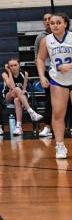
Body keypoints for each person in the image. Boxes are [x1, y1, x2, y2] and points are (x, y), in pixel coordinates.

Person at [36, 13, 72, 159]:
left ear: (65, 24)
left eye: (58, 22)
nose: (55, 25)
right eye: (52, 23)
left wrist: (69, 65)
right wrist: (42, 76)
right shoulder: (46, 40)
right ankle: (60, 145)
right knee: (58, 114)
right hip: (58, 80)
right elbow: (40, 58)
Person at [2, 57, 43, 136]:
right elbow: (12, 87)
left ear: (19, 65)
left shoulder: (25, 73)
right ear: (8, 67)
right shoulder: (5, 74)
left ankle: (18, 127)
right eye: (11, 66)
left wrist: (23, 99)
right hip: (9, 95)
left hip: (20, 97)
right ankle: (31, 112)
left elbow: (24, 90)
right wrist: (9, 73)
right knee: (16, 89)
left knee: (17, 100)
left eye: (15, 65)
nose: (13, 67)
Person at [35, 13, 54, 137]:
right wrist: (42, 75)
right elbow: (37, 58)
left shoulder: (66, 36)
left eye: (49, 19)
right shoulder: (41, 37)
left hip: (65, 72)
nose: (47, 21)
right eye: (45, 20)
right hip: (48, 72)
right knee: (50, 100)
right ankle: (47, 126)